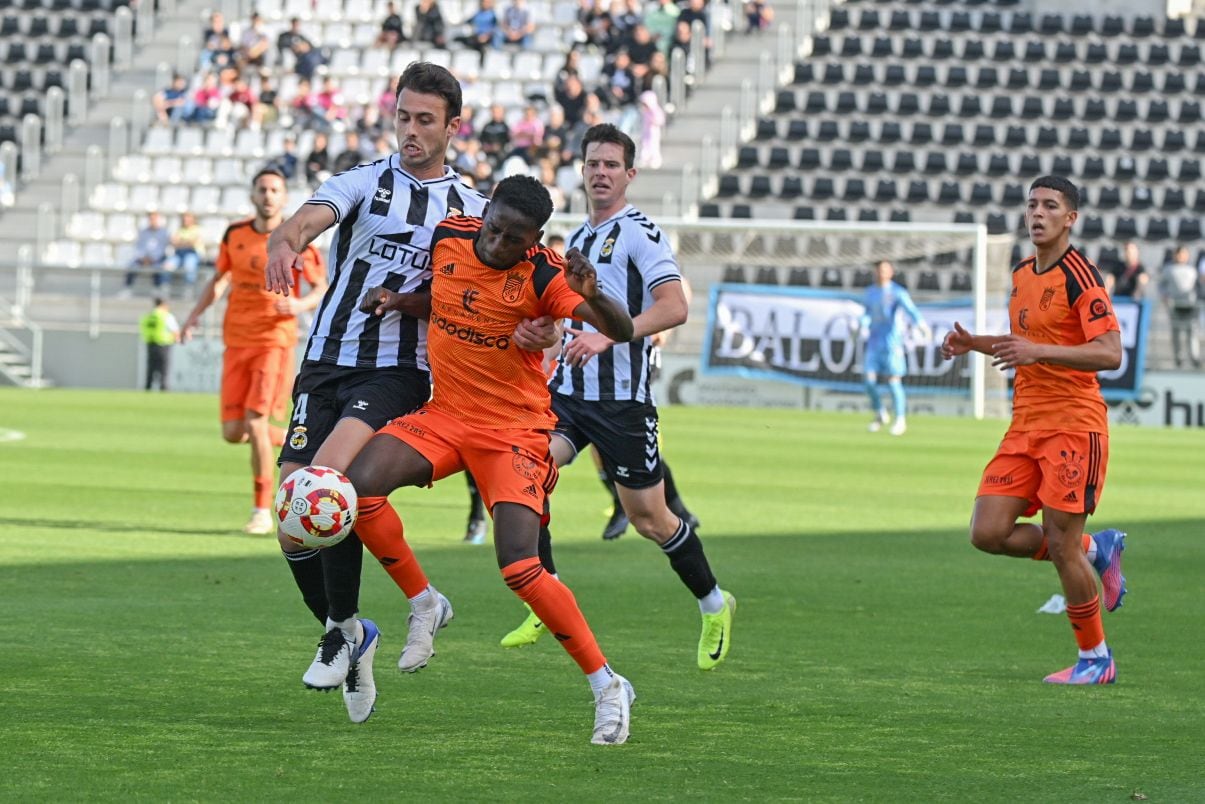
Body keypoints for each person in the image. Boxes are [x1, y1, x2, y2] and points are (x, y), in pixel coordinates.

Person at [345, 174, 637, 744]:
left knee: (519, 567)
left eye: (512, 239)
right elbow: (453, 297)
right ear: (485, 214)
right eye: (494, 227)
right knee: (359, 488)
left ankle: (607, 685)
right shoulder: (451, 234)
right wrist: (401, 300)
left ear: (534, 240)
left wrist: (593, 293)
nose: (497, 244)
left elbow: (620, 330)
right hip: (445, 415)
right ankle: (425, 602)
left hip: (514, 431)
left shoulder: (548, 273)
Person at [262, 62, 496, 724]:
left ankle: (340, 633)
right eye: (403, 117)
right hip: (323, 364)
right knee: (291, 523)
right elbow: (305, 222)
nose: (410, 131)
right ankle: (349, 631)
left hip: (395, 372)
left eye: (425, 120)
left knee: (327, 485)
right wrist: (284, 243)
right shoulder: (363, 182)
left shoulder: (472, 211)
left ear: (454, 127)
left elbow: (493, 291)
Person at [500, 124, 734, 670]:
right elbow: (566, 322)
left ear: (629, 174)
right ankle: (545, 596)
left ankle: (714, 604)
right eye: (592, 164)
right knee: (523, 475)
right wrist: (547, 336)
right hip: (567, 397)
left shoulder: (640, 233)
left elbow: (674, 307)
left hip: (622, 403)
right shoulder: (577, 240)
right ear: (581, 171)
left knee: (651, 518)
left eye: (611, 165)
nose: (600, 173)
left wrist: (610, 333)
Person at [940, 175, 1128, 685]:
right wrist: (974, 343)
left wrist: (1039, 352)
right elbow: (1024, 341)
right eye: (1032, 205)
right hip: (1025, 425)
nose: (1037, 213)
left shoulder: (1081, 276)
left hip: (1073, 426)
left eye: (1050, 206)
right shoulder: (1024, 273)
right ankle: (1097, 549)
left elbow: (1111, 353)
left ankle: (1097, 659)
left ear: (1071, 219)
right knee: (987, 531)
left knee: (1061, 546)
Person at [181, 168, 327, 536]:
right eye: (262, 189)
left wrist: (298, 306)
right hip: (236, 340)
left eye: (274, 190)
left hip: (273, 341)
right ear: (252, 195)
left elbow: (320, 287)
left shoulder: (296, 240)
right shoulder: (235, 235)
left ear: (283, 198)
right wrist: (194, 317)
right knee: (234, 432)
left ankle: (263, 510)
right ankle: (302, 440)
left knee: (257, 423)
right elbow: (220, 280)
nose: (267, 195)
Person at [856, 260, 930, 436]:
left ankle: (900, 420)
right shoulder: (870, 292)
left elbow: (910, 310)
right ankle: (880, 412)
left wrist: (921, 325)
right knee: (868, 381)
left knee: (893, 381)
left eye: (884, 270)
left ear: (890, 272)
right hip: (874, 342)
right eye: (879, 270)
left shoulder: (897, 292)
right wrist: (861, 323)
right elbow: (867, 314)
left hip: (892, 343)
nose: (881, 273)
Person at [1159, 245, 1201, 368]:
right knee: (1176, 333)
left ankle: (1194, 358)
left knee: (1191, 332)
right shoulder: (1168, 270)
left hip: (1190, 306)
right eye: (1178, 254)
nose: (1181, 256)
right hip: (1175, 306)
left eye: (1183, 254)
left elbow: (1198, 288)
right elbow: (1161, 286)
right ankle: (1179, 359)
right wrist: (1165, 296)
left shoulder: (1192, 270)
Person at [121, 212, 171, 294]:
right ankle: (127, 288)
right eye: (151, 219)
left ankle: (157, 288)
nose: (152, 221)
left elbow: (163, 249)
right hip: (143, 259)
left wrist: (153, 258)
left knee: (160, 266)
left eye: (154, 219)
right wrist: (143, 258)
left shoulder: (164, 233)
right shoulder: (143, 232)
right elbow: (139, 247)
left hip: (157, 259)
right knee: (132, 265)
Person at [139, 297, 179, 391]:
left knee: (151, 368)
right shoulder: (166, 316)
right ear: (163, 304)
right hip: (163, 344)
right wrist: (177, 339)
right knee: (164, 368)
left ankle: (148, 387)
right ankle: (164, 388)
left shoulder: (148, 315)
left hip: (150, 343)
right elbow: (174, 330)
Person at [168, 212, 205, 291]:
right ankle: (165, 289)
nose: (185, 220)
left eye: (188, 218)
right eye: (184, 218)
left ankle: (189, 290)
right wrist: (186, 242)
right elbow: (173, 242)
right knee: (167, 266)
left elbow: (194, 242)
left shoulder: (198, 229)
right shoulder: (179, 229)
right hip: (179, 254)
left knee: (189, 265)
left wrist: (181, 242)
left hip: (193, 254)